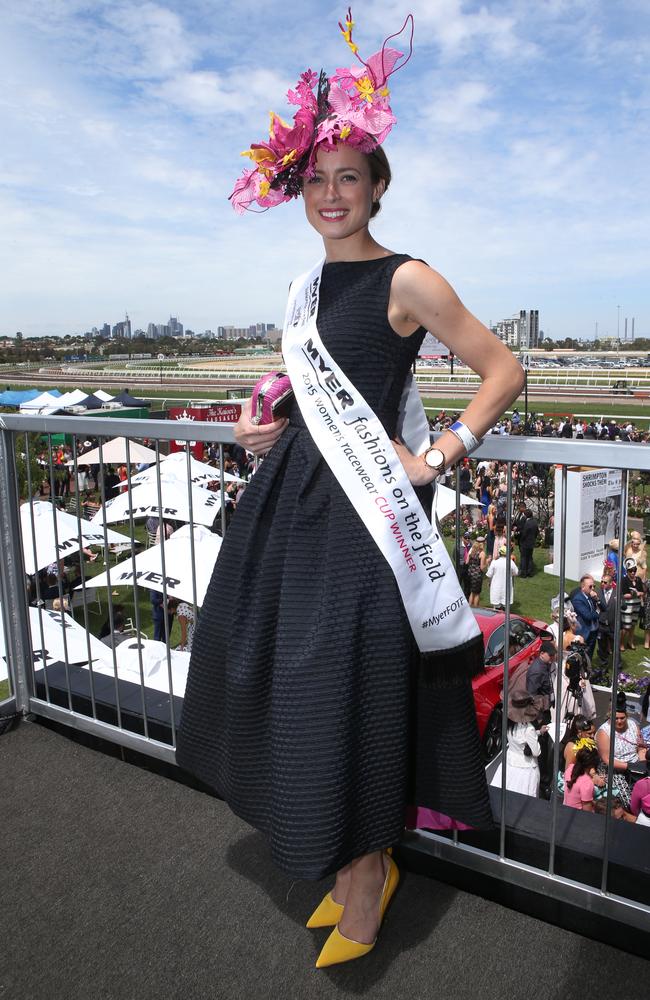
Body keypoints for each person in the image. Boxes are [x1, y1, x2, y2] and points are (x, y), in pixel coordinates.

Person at [176, 9, 525, 970]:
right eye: (317, 180)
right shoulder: (304, 290)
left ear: (377, 186)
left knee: (352, 686)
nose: (331, 194)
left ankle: (368, 872)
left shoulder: (407, 278)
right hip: (294, 506)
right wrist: (262, 430)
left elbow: (502, 369)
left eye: (349, 178)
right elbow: (311, 393)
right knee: (291, 678)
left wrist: (442, 452)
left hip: (368, 518)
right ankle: (344, 858)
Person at [596, 695, 645, 810]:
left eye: (622, 718)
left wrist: (642, 763)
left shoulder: (633, 725)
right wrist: (629, 766)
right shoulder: (604, 732)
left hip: (636, 765)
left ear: (626, 716)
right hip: (614, 769)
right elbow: (607, 759)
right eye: (616, 718)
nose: (619, 721)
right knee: (629, 800)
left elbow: (641, 748)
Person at [563, 742, 601, 812]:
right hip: (578, 817)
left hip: (565, 811)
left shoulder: (569, 768)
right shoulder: (587, 783)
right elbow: (587, 811)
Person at [570, 574, 599, 659]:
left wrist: (598, 600)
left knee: (590, 653)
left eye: (594, 586)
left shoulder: (592, 596)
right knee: (581, 655)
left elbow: (604, 607)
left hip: (593, 631)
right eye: (590, 586)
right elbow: (588, 616)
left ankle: (588, 669)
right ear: (583, 587)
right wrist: (598, 611)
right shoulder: (578, 599)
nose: (593, 588)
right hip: (584, 633)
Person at [620, 558, 644, 651]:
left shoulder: (638, 580)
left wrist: (637, 593)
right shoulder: (624, 580)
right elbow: (624, 594)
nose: (633, 572)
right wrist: (633, 594)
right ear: (627, 571)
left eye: (634, 570)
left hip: (636, 605)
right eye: (631, 571)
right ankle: (621, 644)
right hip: (628, 606)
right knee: (626, 626)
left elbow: (642, 592)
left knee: (633, 625)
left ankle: (630, 642)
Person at [486, 544, 518, 610]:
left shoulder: (494, 562)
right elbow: (516, 572)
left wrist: (489, 582)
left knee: (496, 607)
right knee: (505, 606)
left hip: (496, 586)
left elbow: (489, 574)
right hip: (506, 587)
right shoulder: (510, 562)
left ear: (499, 553)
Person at [596, 572, 617, 664]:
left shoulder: (617, 593)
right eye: (602, 582)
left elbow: (624, 606)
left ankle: (618, 665)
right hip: (601, 625)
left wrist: (620, 602)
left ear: (611, 583)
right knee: (602, 646)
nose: (602, 584)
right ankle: (603, 663)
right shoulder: (598, 592)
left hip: (612, 625)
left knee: (615, 646)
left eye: (605, 582)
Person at [465, 538, 487, 608]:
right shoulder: (482, 553)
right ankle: (476, 609)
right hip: (477, 575)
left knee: (472, 592)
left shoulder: (472, 551)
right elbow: (482, 568)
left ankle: (470, 608)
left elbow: (467, 562)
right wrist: (487, 562)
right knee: (477, 593)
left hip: (470, 574)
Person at [517, 509, 539, 578]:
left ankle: (523, 573)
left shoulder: (527, 523)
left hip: (525, 542)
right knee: (529, 557)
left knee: (523, 557)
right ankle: (530, 572)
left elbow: (524, 534)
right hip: (531, 542)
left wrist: (521, 539)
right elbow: (537, 532)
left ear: (526, 515)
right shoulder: (535, 522)